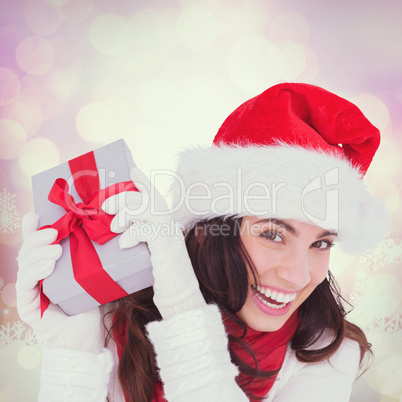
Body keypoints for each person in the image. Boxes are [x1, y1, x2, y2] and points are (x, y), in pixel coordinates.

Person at [16, 83, 388, 401]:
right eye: (273, 234)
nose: (297, 275)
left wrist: (182, 305)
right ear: (210, 229)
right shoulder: (116, 322)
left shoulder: (325, 355)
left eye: (321, 244)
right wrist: (72, 349)